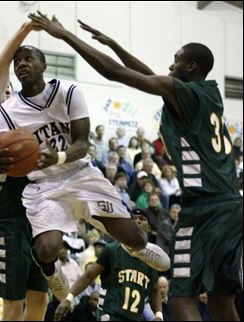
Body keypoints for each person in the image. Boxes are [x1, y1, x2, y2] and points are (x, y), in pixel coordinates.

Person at [29, 12, 243, 321]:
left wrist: (65, 36)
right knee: (223, 299)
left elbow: (115, 73)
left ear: (191, 66)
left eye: (176, 60)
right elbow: (151, 75)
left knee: (182, 298)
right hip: (232, 206)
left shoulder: (184, 93)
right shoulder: (208, 94)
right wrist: (115, 44)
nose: (170, 66)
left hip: (204, 207)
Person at [0, 19, 170, 306]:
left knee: (136, 238)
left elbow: (83, 144)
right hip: (44, 185)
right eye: (17, 61)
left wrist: (56, 157)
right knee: (46, 249)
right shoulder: (9, 112)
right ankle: (49, 270)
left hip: (80, 174)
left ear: (44, 65)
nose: (21, 64)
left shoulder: (69, 93)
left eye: (28, 58)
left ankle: (138, 248)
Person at [0, 21, 49, 321]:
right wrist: (26, 30)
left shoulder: (25, 122)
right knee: (14, 305)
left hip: (35, 219)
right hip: (8, 222)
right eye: (6, 89)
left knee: (40, 299)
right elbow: (2, 65)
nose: (11, 94)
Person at [54, 208, 163, 321]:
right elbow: (88, 276)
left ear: (149, 228)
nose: (138, 221)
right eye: (134, 218)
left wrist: (159, 315)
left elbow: (155, 291)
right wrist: (69, 298)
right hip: (110, 315)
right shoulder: (112, 250)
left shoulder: (151, 260)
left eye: (142, 219)